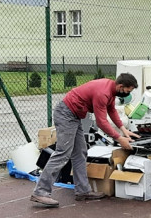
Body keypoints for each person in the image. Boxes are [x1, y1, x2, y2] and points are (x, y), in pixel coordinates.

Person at [30, 73, 141, 207]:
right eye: (127, 91)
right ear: (121, 86)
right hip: (66, 114)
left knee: (80, 152)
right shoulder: (103, 93)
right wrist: (118, 138)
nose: (127, 94)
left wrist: (123, 129)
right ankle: (40, 192)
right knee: (63, 153)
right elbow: (101, 122)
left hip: (74, 116)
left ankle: (82, 191)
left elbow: (111, 110)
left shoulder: (111, 89)